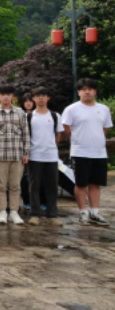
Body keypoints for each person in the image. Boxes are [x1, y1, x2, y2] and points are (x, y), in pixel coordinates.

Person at [62, 78, 112, 226]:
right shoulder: (71, 109)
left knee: (95, 183)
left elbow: (104, 129)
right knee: (81, 183)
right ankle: (83, 212)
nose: (87, 92)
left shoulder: (103, 109)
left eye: (90, 89)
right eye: (84, 89)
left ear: (95, 92)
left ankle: (95, 212)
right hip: (80, 152)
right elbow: (66, 129)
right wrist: (78, 140)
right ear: (79, 92)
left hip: (99, 152)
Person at [0, 85, 30, 225]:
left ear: (12, 96)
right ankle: (2, 211)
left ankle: (14, 212)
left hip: (17, 155)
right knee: (0, 186)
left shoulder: (20, 113)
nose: (5, 97)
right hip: (0, 156)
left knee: (15, 185)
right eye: (2, 94)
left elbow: (26, 133)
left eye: (8, 94)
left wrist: (26, 152)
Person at [27, 87, 63, 226]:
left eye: (43, 95)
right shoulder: (29, 116)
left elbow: (58, 135)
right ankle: (35, 214)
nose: (41, 98)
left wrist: (52, 146)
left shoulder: (55, 116)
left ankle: (52, 214)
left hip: (51, 156)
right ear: (33, 98)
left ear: (48, 98)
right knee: (34, 186)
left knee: (52, 186)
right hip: (34, 155)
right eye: (38, 95)